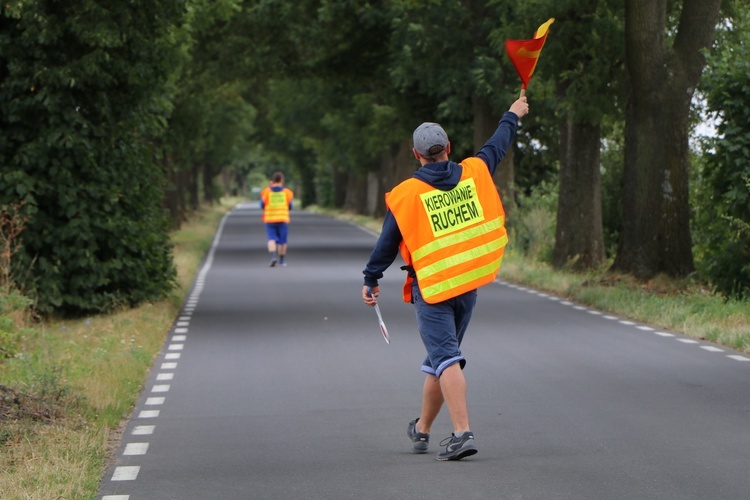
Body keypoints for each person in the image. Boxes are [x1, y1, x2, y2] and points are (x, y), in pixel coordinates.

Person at [361, 97, 529, 461]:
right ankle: (422, 430)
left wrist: (371, 279)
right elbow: (496, 145)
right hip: (467, 286)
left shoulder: (408, 195)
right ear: (448, 149)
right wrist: (512, 115)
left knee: (447, 358)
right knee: (440, 359)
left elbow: (387, 244)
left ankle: (462, 433)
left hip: (434, 290)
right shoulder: (474, 171)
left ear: (415, 154)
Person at [260, 172, 294, 267]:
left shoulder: (266, 192)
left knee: (271, 239)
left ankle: (273, 257)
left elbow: (261, 205)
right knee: (283, 241)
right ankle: (282, 260)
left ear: (273, 180)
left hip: (270, 219)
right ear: (282, 180)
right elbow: (290, 206)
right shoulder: (287, 192)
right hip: (282, 219)